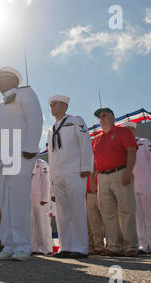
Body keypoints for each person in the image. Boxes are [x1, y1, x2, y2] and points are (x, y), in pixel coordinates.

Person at [0, 66, 43, 262]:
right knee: (5, 202)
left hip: (20, 153)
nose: (0, 85)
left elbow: (35, 118)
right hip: (1, 158)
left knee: (18, 200)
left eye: (3, 81)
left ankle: (22, 245)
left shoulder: (25, 93)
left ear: (14, 80)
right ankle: (9, 245)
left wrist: (30, 146)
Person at [47, 95, 93, 259]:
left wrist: (86, 166)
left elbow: (85, 142)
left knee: (77, 209)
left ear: (65, 106)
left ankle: (80, 247)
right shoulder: (51, 128)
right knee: (62, 212)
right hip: (58, 174)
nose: (52, 107)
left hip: (74, 171)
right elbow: (51, 155)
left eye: (55, 104)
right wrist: (51, 181)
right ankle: (65, 246)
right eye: (51, 105)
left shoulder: (75, 120)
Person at [91, 107, 138, 257]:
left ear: (112, 117)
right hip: (103, 178)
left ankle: (130, 246)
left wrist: (128, 172)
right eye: (99, 117)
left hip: (121, 173)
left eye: (104, 115)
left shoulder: (123, 132)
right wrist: (93, 180)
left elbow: (131, 151)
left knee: (126, 211)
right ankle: (113, 246)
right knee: (107, 213)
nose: (101, 118)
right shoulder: (96, 139)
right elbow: (94, 162)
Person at [121, 121, 151, 254]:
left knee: (150, 215)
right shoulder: (122, 146)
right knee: (138, 218)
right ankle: (143, 245)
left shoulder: (144, 142)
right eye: (126, 130)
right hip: (131, 185)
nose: (129, 131)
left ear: (134, 130)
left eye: (131, 129)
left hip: (146, 184)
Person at [31, 158, 54, 256]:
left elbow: (46, 181)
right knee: (32, 224)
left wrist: (45, 197)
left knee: (42, 223)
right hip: (30, 198)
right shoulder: (26, 162)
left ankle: (45, 247)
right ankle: (33, 247)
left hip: (40, 198)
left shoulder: (42, 163)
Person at [86, 174, 106, 255]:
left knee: (107, 222)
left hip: (101, 190)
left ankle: (111, 246)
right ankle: (98, 247)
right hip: (89, 192)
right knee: (93, 223)